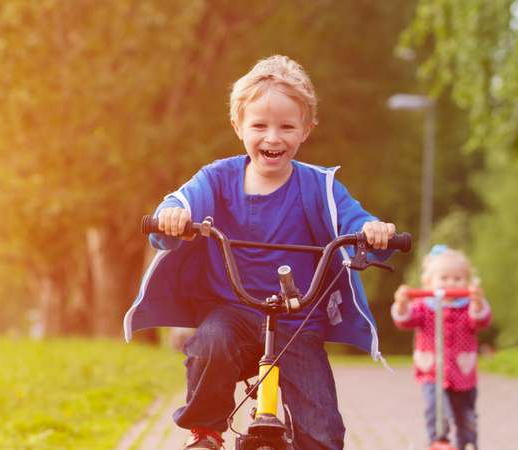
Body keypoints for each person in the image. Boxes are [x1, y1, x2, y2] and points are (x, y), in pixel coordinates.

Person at [123, 55, 400, 450]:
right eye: (260, 126)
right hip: (229, 311)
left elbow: (354, 221)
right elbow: (181, 200)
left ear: (307, 130)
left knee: (322, 432)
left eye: (287, 126)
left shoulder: (319, 187)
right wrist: (173, 215)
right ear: (238, 127)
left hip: (298, 320)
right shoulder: (217, 179)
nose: (273, 138)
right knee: (208, 343)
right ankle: (206, 431)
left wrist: (373, 233)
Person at [392, 245, 491, 450]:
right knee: (437, 411)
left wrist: (478, 302)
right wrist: (402, 304)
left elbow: (480, 321)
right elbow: (405, 321)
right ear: (429, 283)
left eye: (457, 279)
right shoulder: (423, 305)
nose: (450, 283)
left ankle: (468, 444)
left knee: (467, 417)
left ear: (467, 281)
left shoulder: (468, 306)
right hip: (432, 373)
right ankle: (439, 442)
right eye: (444, 278)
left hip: (463, 375)